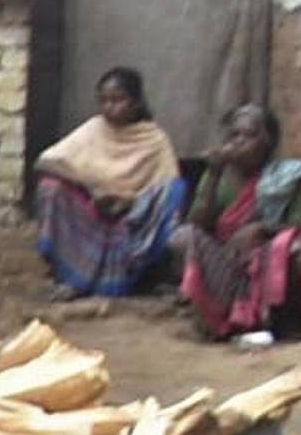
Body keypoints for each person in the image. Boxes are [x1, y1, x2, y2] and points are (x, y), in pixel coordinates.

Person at [176, 99, 301, 346]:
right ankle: (215, 318)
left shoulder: (291, 177)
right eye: (234, 135)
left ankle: (281, 320)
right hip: (226, 260)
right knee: (184, 236)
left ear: (268, 142)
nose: (238, 142)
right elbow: (198, 223)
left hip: (268, 259)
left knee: (297, 246)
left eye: (249, 135)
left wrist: (262, 228)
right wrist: (212, 175)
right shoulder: (220, 176)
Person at [33, 65, 187, 300]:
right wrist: (92, 186)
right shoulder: (95, 128)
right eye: (103, 100)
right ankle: (71, 278)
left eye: (118, 100)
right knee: (50, 187)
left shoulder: (155, 139)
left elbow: (166, 185)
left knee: (174, 192)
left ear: (135, 102)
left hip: (133, 219)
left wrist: (128, 200)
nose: (109, 107)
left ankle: (150, 276)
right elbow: (45, 161)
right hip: (92, 212)